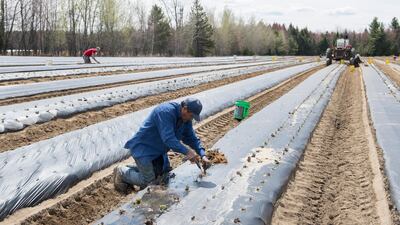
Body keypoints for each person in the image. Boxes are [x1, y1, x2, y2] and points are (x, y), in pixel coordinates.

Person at [113, 98, 211, 193]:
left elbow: (191, 138)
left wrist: (203, 154)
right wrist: (188, 152)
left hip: (159, 151)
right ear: (184, 108)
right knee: (149, 182)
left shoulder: (185, 120)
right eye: (191, 116)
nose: (191, 119)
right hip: (144, 150)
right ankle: (121, 172)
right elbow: (168, 139)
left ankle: (137, 170)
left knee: (164, 175)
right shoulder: (165, 112)